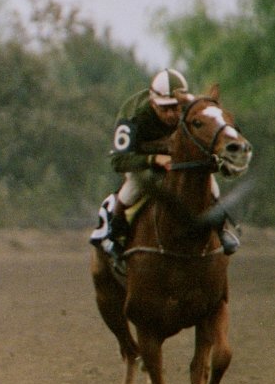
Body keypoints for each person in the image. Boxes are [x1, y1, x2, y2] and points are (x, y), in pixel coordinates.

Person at [93, 67, 240, 257]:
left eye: (176, 108)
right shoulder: (133, 116)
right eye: (165, 108)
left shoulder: (195, 110)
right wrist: (154, 159)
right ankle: (116, 232)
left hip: (179, 162)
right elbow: (118, 161)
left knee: (212, 187)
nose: (172, 114)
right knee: (132, 189)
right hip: (141, 161)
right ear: (153, 104)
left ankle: (221, 230)